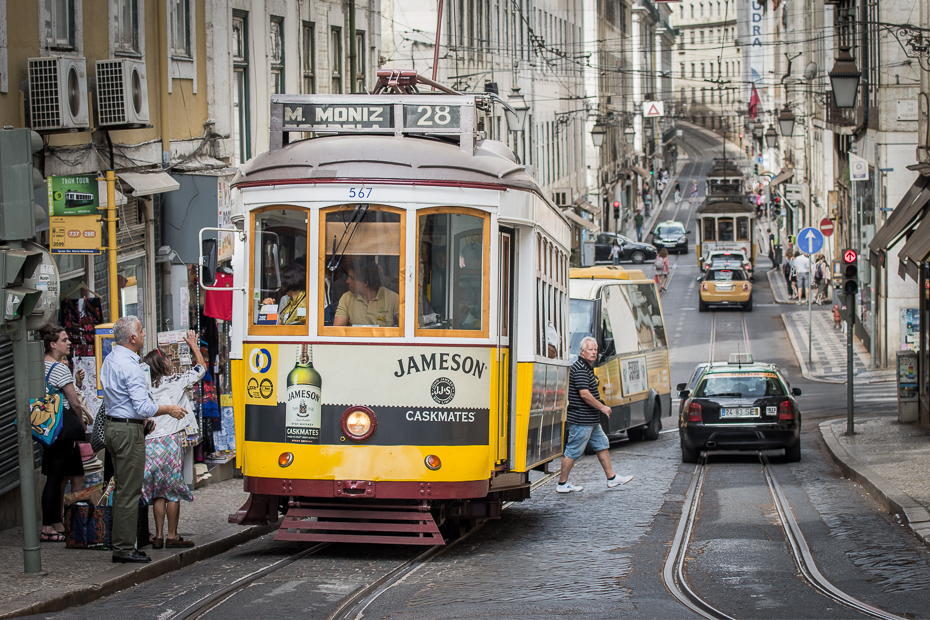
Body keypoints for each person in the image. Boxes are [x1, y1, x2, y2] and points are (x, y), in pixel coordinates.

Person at [102, 315, 186, 564]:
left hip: (114, 427)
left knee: (122, 490)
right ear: (132, 338)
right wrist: (168, 408)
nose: (144, 333)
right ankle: (124, 548)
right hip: (127, 431)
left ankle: (121, 544)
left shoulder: (111, 359)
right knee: (129, 491)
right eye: (141, 330)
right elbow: (142, 407)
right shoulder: (131, 365)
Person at [139, 330, 206, 549]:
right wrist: (194, 346)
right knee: (173, 490)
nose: (170, 362)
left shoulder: (146, 388)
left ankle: (157, 535)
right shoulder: (175, 382)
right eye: (167, 359)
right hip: (168, 442)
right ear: (162, 363)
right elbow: (201, 369)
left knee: (159, 491)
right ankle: (172, 535)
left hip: (150, 442)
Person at [37, 324, 92, 542]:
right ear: (52, 344)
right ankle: (47, 528)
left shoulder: (39, 365)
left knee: (54, 477)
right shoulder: (59, 369)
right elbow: (75, 403)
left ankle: (56, 524)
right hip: (62, 429)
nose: (68, 342)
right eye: (63, 339)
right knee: (55, 479)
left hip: (47, 428)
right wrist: (80, 426)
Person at [556, 337, 633, 493]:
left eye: (595, 350)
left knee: (602, 443)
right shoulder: (580, 368)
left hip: (590, 419)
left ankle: (611, 478)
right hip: (581, 419)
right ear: (582, 351)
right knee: (573, 450)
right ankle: (562, 483)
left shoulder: (586, 367)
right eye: (590, 350)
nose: (593, 353)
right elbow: (584, 394)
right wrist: (602, 407)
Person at [334, 259, 400, 327]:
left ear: (366, 282)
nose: (347, 281)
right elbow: (337, 329)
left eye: (352, 278)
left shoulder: (392, 298)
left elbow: (407, 327)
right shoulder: (346, 298)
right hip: (356, 337)